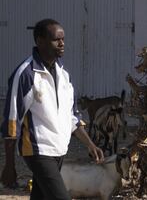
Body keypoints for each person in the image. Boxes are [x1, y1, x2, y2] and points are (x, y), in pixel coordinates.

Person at [0, 19, 104, 199]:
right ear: (40, 41)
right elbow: (12, 120)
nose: (62, 43)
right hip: (38, 150)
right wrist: (9, 165)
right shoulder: (25, 74)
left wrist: (90, 144)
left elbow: (72, 117)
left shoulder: (64, 75)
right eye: (56, 39)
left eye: (63, 39)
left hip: (60, 150)